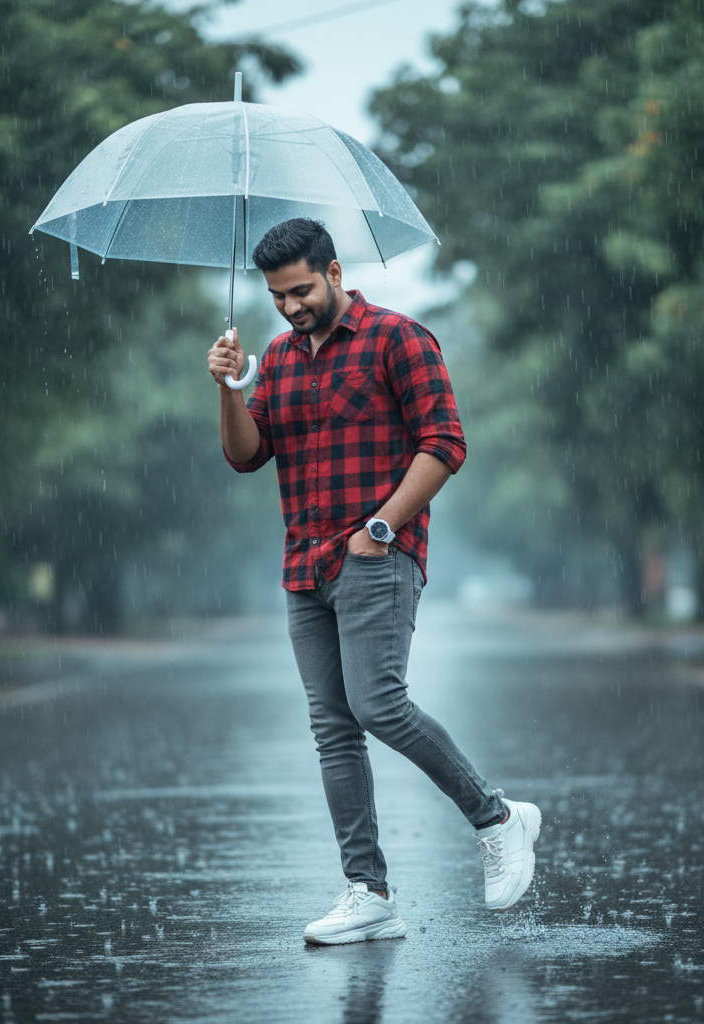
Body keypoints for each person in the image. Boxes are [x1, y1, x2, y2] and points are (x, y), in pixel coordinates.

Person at [208, 218, 541, 945]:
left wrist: (379, 530)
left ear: (332, 273)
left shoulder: (399, 339)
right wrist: (231, 389)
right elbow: (245, 455)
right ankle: (369, 891)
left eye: (300, 290)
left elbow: (445, 443)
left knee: (378, 704)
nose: (291, 307)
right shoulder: (280, 360)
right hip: (304, 568)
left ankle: (498, 817)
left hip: (376, 558)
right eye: (276, 297)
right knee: (333, 731)